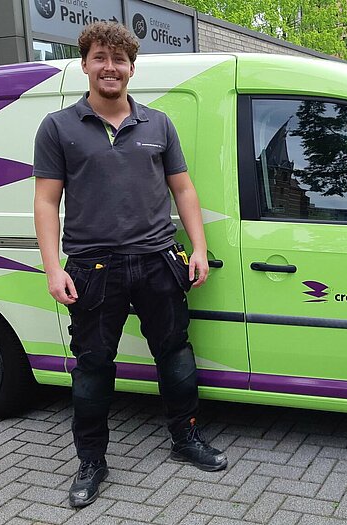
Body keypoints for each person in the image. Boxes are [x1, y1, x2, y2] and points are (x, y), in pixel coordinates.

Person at [33, 21, 227, 509]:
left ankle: (185, 438)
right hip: (93, 268)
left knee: (175, 354)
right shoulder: (57, 127)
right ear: (85, 64)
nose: (110, 67)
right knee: (94, 367)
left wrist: (197, 247)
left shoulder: (158, 124)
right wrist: (53, 268)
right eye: (100, 57)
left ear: (132, 69)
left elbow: (183, 189)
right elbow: (46, 201)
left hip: (158, 260)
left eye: (119, 60)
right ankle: (91, 462)